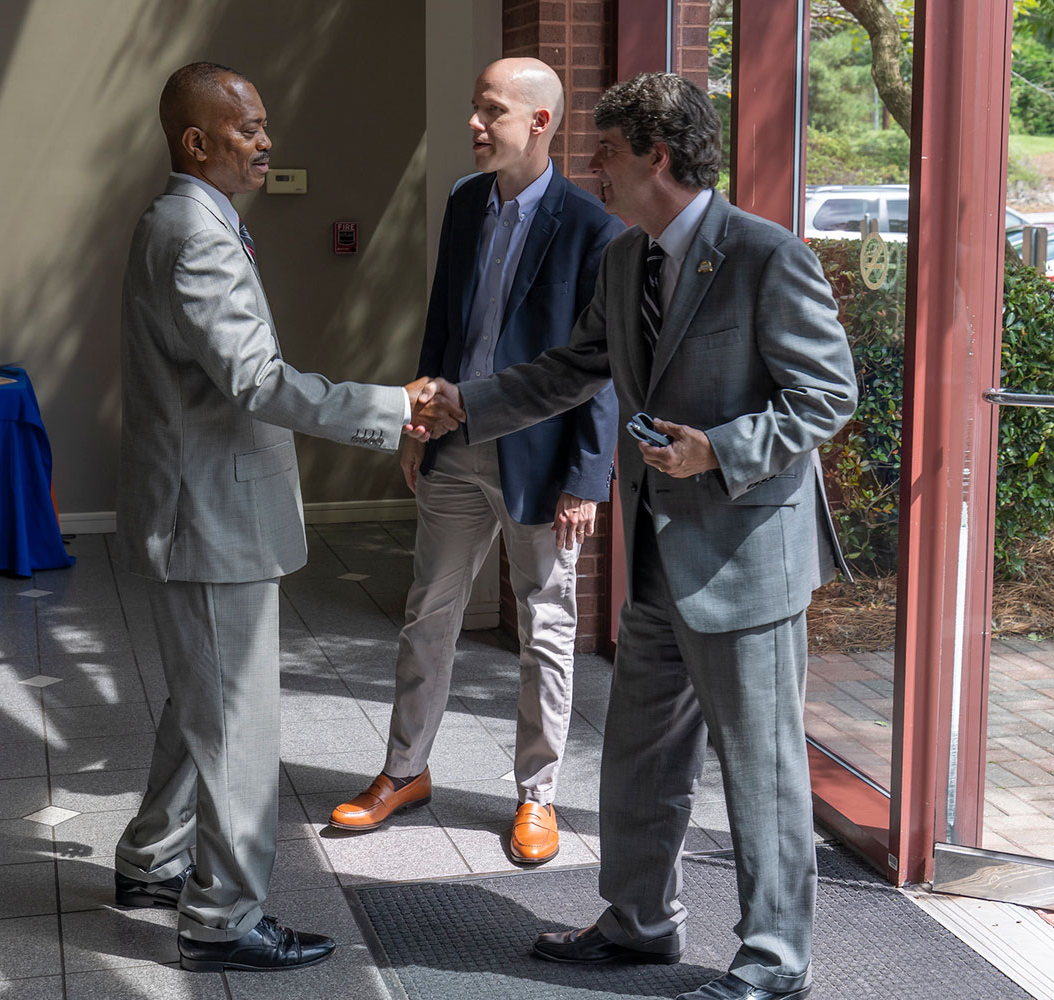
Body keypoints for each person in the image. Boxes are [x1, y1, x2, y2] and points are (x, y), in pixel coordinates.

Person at [430, 73, 857, 1000]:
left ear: (656, 158)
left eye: (609, 154)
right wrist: (466, 403)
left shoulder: (764, 255)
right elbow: (573, 368)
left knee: (762, 771)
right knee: (636, 757)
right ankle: (638, 924)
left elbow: (827, 394)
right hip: (661, 559)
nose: (594, 171)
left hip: (747, 560)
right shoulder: (628, 260)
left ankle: (775, 960)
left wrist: (722, 449)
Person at [111, 61, 461, 974]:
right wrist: (394, 407)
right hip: (213, 517)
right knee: (235, 723)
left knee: (201, 697)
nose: (267, 143)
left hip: (202, 507)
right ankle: (221, 919)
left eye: (265, 127)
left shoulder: (187, 221)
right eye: (248, 128)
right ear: (196, 142)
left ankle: (152, 860)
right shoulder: (198, 234)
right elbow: (258, 383)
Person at [327, 58, 622, 864]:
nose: (474, 124)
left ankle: (539, 798)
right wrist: (414, 423)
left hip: (542, 463)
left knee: (546, 629)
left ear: (541, 122)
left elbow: (601, 368)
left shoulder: (595, 229)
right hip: (454, 448)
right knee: (428, 615)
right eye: (474, 108)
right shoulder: (464, 202)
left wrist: (589, 477)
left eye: (491, 110)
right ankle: (403, 771)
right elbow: (442, 326)